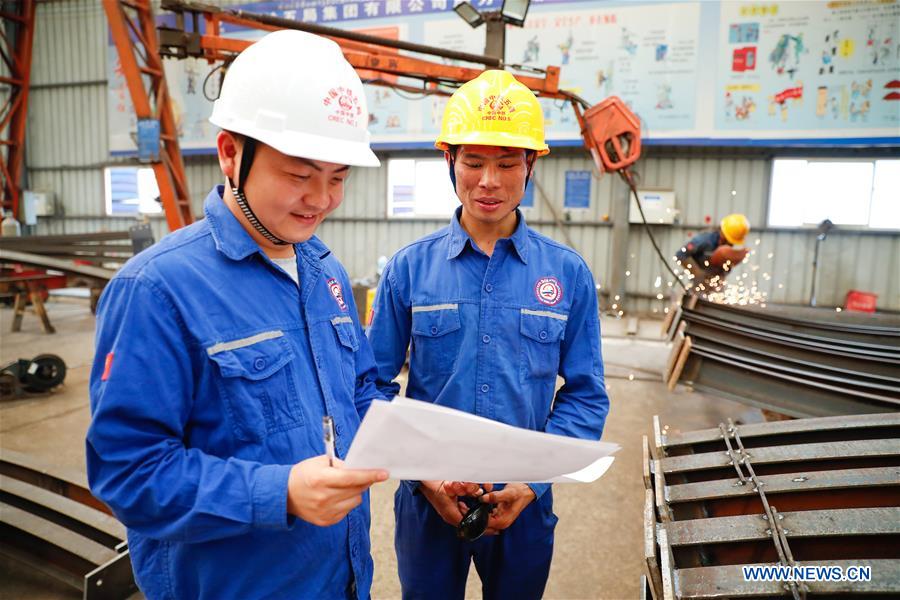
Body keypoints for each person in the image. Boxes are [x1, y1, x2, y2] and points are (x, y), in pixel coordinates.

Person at [86, 31, 388, 599]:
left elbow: (360, 391)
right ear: (231, 153)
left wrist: (429, 451)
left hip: (341, 581)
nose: (321, 199)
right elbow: (128, 475)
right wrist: (281, 493)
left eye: (339, 177)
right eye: (301, 174)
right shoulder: (157, 290)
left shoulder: (326, 272)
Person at [366, 70, 609, 600]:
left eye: (506, 164)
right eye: (473, 163)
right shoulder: (409, 270)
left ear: (532, 164)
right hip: (428, 504)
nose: (489, 182)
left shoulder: (567, 274)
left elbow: (586, 395)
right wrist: (422, 476)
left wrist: (532, 483)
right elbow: (371, 386)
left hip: (523, 501)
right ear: (449, 161)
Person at [676, 213, 750, 286]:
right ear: (722, 232)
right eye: (729, 240)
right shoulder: (704, 240)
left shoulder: (727, 249)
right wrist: (698, 274)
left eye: (732, 242)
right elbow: (680, 255)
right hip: (698, 284)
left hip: (716, 286)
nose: (730, 244)